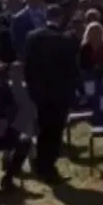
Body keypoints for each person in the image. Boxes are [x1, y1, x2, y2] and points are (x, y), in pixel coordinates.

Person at [22, 18, 80, 183]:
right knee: (54, 132)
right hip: (59, 94)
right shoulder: (65, 40)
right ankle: (48, 166)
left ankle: (41, 165)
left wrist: (31, 88)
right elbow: (72, 69)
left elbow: (27, 66)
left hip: (39, 92)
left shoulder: (32, 38)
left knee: (42, 130)